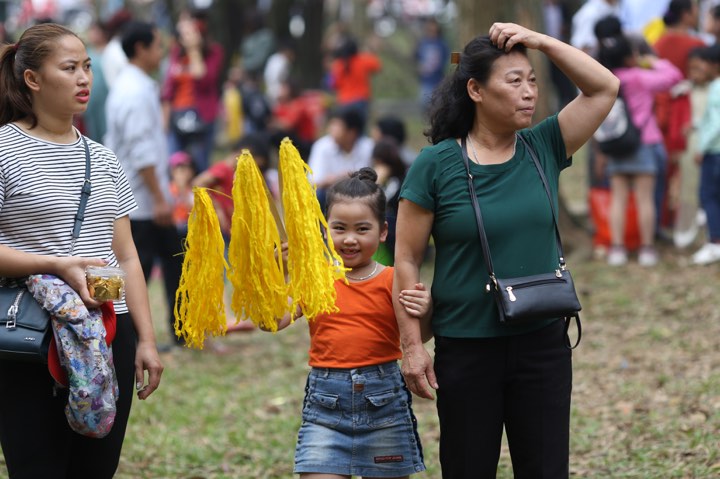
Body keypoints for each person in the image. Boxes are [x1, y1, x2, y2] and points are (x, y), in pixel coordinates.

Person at [393, 22, 619, 478]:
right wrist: (413, 347)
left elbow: (604, 88)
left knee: (545, 469)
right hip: (466, 346)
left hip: (542, 343)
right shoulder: (437, 163)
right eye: (514, 81)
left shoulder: (544, 146)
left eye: (532, 81)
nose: (528, 92)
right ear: (475, 89)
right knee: (468, 468)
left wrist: (540, 42)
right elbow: (406, 258)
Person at [0, 23, 163, 478]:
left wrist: (146, 341)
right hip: (30, 333)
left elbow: (126, 257)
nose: (84, 79)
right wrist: (55, 265)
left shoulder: (105, 158)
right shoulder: (4, 149)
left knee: (96, 469)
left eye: (88, 67)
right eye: (69, 68)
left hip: (111, 330)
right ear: (32, 79)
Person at [270, 167, 431, 478]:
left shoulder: (393, 279)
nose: (349, 239)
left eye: (362, 229)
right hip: (326, 407)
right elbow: (273, 321)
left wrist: (425, 309)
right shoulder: (315, 279)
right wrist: (281, 272)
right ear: (325, 229)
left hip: (384, 405)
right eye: (339, 228)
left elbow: (418, 336)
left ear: (383, 231)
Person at [105, 21, 185, 347]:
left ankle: (179, 331)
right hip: (140, 200)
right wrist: (159, 198)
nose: (161, 52)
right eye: (157, 46)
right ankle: (127, 335)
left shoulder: (133, 85)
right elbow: (143, 153)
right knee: (135, 268)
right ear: (141, 48)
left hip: (141, 197)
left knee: (172, 259)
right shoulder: (134, 91)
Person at [597, 33, 683, 266]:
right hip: (643, 142)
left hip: (616, 144)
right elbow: (674, 77)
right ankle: (646, 249)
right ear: (629, 57)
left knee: (619, 199)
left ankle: (617, 249)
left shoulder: (607, 79)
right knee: (645, 199)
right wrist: (651, 61)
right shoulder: (639, 77)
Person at [161, 9, 224, 173]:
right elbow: (168, 88)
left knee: (200, 164)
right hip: (177, 116)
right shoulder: (176, 53)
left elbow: (204, 79)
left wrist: (194, 50)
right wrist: (165, 120)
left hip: (201, 116)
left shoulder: (214, 52)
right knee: (176, 165)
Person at [307, 107, 374, 208]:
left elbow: (374, 179)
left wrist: (343, 178)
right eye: (331, 125)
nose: (331, 129)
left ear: (352, 132)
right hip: (331, 196)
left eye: (337, 126)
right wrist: (344, 178)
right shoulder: (322, 146)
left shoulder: (368, 147)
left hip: (362, 196)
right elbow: (313, 182)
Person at [691, 44, 720, 264]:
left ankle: (714, 243)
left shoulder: (717, 87)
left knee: (709, 196)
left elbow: (717, 123)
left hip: (714, 151)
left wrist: (701, 147)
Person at [329, 35, 382, 128]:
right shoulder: (362, 60)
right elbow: (377, 66)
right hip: (360, 101)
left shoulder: (338, 65)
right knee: (360, 129)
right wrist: (372, 50)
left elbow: (333, 84)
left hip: (344, 102)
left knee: (346, 129)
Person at [414, 17, 449, 110]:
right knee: (424, 106)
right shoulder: (422, 43)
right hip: (425, 81)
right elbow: (416, 58)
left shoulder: (442, 44)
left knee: (438, 107)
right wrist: (418, 68)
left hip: (438, 80)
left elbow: (446, 61)